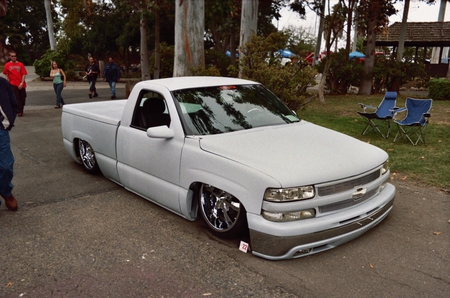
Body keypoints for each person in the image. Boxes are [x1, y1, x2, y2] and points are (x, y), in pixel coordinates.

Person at [0, 77, 19, 211]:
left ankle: (6, 191)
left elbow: (14, 104)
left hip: (0, 129)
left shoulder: (3, 83)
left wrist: (8, 121)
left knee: (6, 165)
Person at [2, 51, 27, 116]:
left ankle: (21, 108)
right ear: (10, 57)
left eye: (15, 56)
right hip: (12, 83)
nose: (14, 57)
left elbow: (24, 74)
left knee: (22, 98)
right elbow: (6, 73)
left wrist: (22, 83)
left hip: (21, 83)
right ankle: (19, 111)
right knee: (16, 97)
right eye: (12, 56)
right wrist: (8, 81)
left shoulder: (20, 64)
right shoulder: (7, 65)